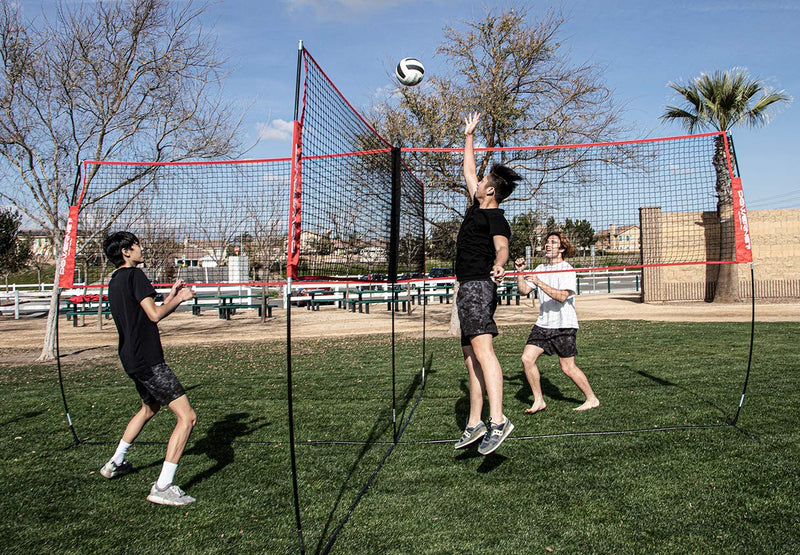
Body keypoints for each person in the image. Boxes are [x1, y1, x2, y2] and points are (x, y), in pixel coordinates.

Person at [99, 231, 198, 506]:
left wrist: (170, 295)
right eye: (137, 245)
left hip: (130, 358)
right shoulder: (136, 276)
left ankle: (116, 461)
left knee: (149, 408)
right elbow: (154, 316)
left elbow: (142, 313)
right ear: (126, 252)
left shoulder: (116, 280)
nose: (141, 248)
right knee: (187, 418)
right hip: (148, 359)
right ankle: (163, 486)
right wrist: (181, 299)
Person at [453, 112, 522, 455]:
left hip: (480, 285)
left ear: (490, 190)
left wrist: (499, 265)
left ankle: (498, 421)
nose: (476, 181)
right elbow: (467, 170)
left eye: (482, 181)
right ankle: (474, 423)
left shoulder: (495, 217)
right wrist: (469, 136)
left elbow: (503, 247)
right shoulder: (474, 206)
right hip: (466, 287)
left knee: (484, 352)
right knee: (470, 359)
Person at [514, 232, 600, 413]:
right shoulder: (539, 268)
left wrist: (539, 282)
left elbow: (562, 296)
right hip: (543, 324)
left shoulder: (567, 269)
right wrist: (520, 273)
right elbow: (523, 291)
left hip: (564, 325)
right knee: (527, 359)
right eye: (547, 242)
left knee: (567, 367)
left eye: (553, 243)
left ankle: (592, 399)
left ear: (562, 248)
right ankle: (539, 401)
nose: (548, 245)